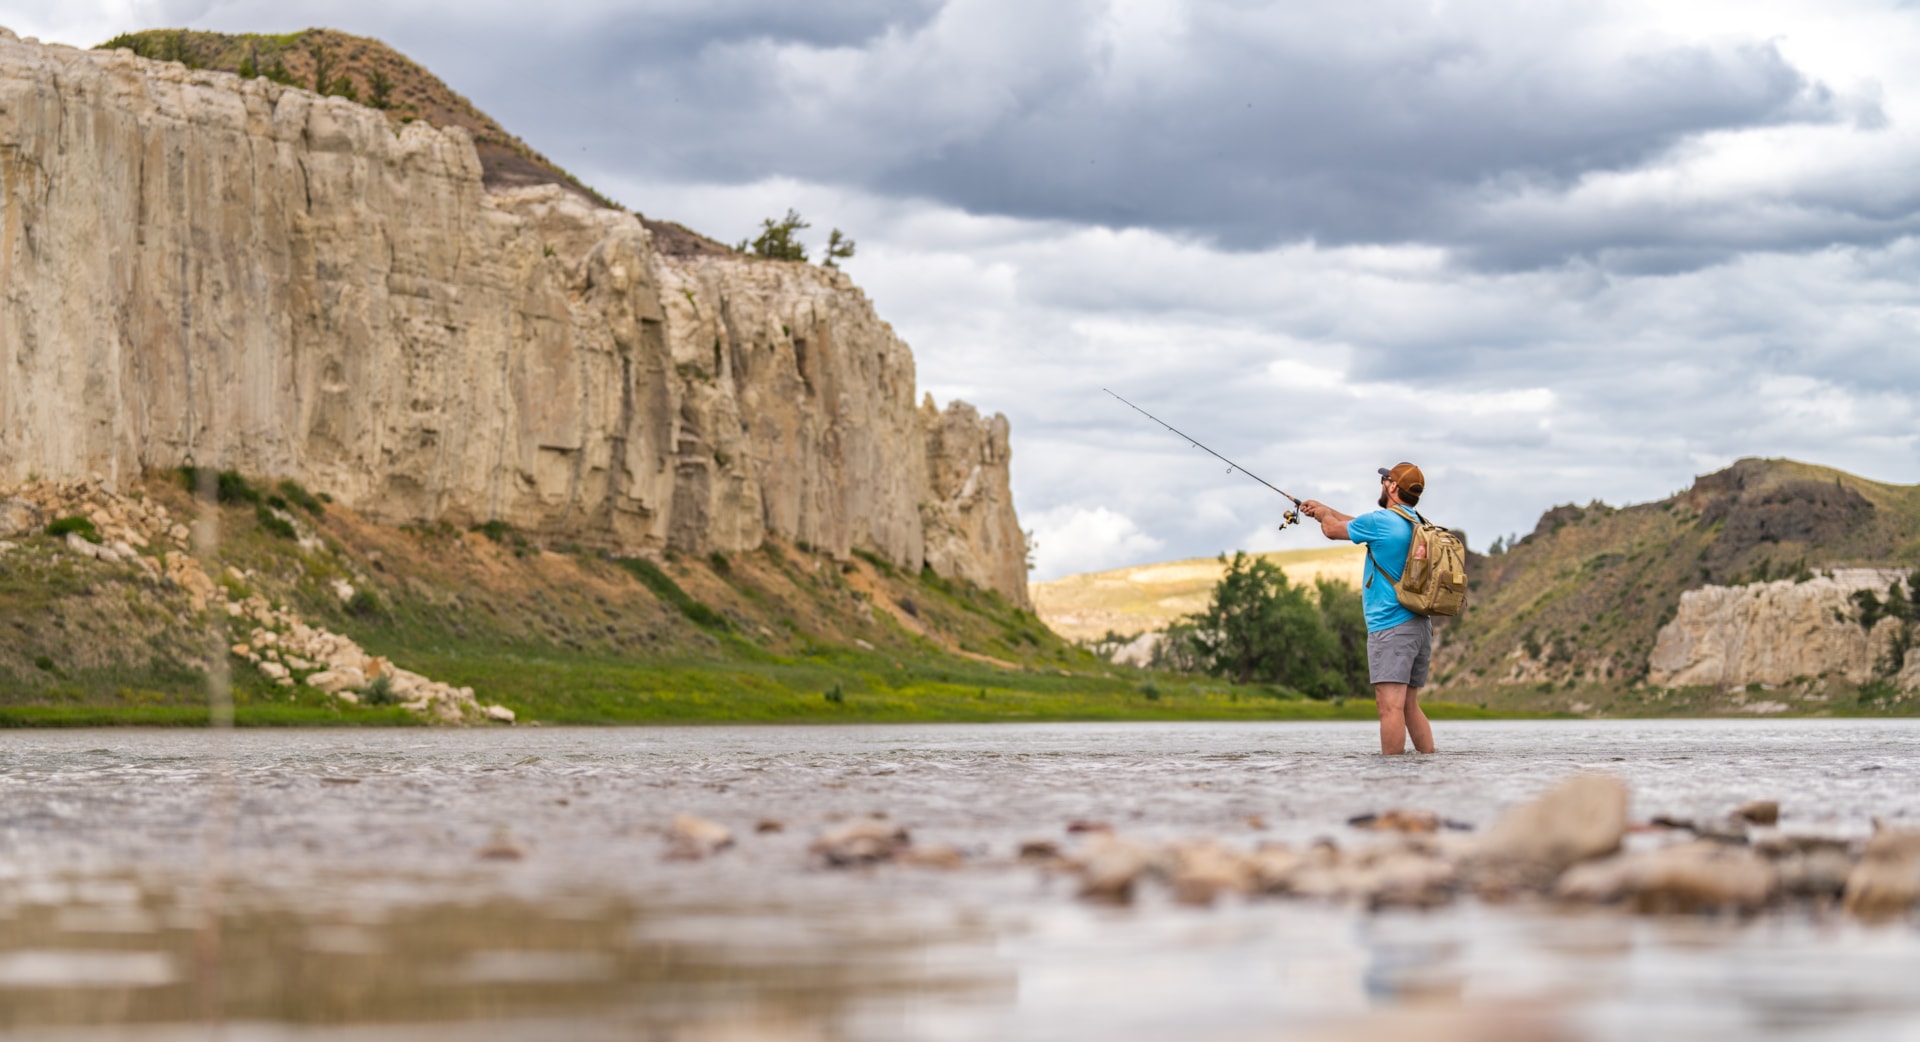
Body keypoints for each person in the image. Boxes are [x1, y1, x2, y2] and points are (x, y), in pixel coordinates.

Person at [1300, 463, 1436, 755]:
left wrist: (1324, 515)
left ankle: (1390, 779)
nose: (1383, 483)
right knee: (1409, 706)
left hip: (1391, 626)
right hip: (1419, 626)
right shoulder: (1414, 521)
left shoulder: (1382, 522)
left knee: (1389, 707)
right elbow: (1359, 523)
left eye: (1385, 479)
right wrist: (1326, 507)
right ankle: (1428, 768)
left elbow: (1333, 531)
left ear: (1392, 487)